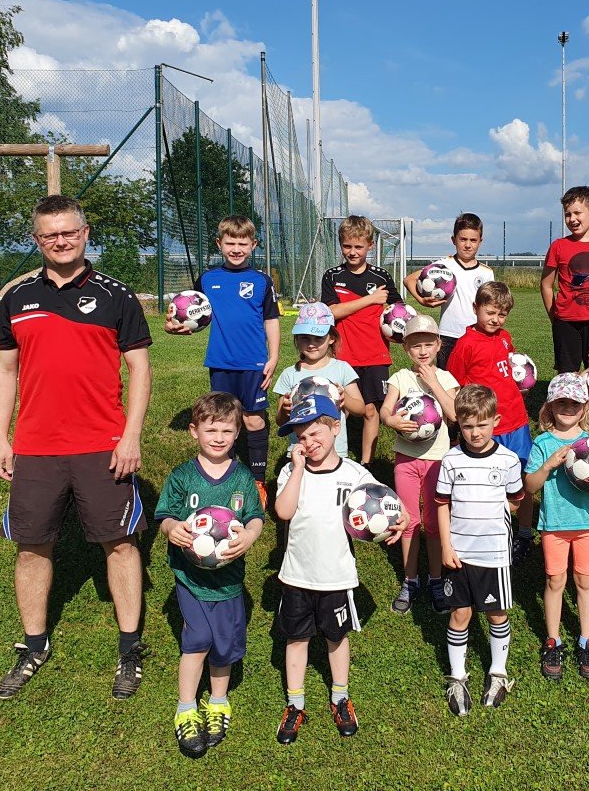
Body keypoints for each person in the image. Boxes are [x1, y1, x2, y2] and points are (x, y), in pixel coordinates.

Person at [0, 195, 152, 701]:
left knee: (120, 544)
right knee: (32, 544)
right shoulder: (17, 298)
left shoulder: (116, 295)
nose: (60, 241)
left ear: (84, 234)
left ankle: (129, 649)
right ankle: (33, 644)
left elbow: (140, 369)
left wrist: (130, 436)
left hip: (102, 445)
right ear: (37, 241)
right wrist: (1, 436)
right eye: (48, 235)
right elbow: (5, 369)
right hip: (36, 447)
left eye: (68, 232)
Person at [271, 394, 407, 744]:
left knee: (336, 637)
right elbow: (283, 512)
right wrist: (298, 470)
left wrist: (400, 518)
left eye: (315, 433)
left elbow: (388, 504)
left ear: (336, 427)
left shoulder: (354, 473)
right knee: (296, 638)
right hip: (297, 575)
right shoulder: (290, 471)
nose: (308, 442)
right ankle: (295, 703)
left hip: (336, 576)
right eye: (300, 437)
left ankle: (340, 697)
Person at [154, 392, 264, 758]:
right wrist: (172, 529)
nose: (218, 437)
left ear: (237, 434)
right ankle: (186, 707)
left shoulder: (243, 478)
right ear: (193, 431)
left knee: (225, 645)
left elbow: (255, 518)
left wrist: (248, 535)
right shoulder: (183, 476)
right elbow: (165, 514)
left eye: (227, 431)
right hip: (190, 578)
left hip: (229, 582)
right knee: (198, 637)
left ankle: (218, 702)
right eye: (210, 429)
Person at [166, 216, 280, 495]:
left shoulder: (261, 281)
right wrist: (174, 327)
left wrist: (273, 356)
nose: (236, 249)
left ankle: (257, 479)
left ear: (254, 245)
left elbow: (271, 319)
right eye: (230, 243)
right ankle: (220, 471)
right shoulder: (207, 279)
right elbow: (190, 311)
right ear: (220, 244)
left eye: (243, 243)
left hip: (253, 363)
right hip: (220, 362)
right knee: (222, 419)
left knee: (253, 419)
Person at [523, 373, 589, 681]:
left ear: (585, 408)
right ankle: (553, 639)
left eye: (574, 403)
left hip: (587, 524)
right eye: (561, 403)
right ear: (550, 407)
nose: (568, 408)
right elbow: (530, 486)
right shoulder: (542, 442)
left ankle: (586, 640)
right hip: (553, 525)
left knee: (585, 581)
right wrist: (549, 465)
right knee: (554, 582)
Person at [436, 384, 525, 716]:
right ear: (458, 422)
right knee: (460, 614)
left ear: (495, 421)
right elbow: (442, 505)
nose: (474, 433)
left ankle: (498, 672)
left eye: (482, 425)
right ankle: (457, 677)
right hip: (458, 552)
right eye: (468, 425)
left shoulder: (507, 460)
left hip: (494, 554)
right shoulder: (451, 460)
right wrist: (446, 545)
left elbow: (516, 500)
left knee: (496, 613)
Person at [445, 281, 533, 562]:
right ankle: (490, 531)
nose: (495, 319)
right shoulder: (465, 345)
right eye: (490, 312)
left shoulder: (505, 337)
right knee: (490, 483)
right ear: (475, 309)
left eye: (501, 314)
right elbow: (455, 385)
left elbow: (512, 367)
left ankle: (524, 533)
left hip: (517, 419)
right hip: (487, 426)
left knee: (522, 479)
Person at [380, 314, 459, 615]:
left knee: (437, 523)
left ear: (438, 345)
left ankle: (436, 579)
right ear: (406, 349)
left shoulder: (447, 379)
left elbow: (453, 415)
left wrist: (434, 384)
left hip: (439, 461)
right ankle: (410, 580)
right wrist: (391, 420)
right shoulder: (400, 378)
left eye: (428, 344)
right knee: (409, 520)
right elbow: (387, 410)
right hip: (406, 460)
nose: (423, 351)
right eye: (415, 346)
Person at [321, 215, 403, 464]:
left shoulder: (381, 277)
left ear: (370, 246)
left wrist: (401, 328)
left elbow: (398, 311)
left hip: (376, 354)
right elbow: (331, 312)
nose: (352, 252)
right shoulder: (332, 276)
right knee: (339, 408)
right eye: (347, 246)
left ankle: (367, 464)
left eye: (358, 246)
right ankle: (334, 458)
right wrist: (369, 300)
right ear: (340, 245)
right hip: (343, 354)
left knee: (371, 410)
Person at [272, 301, 366, 461]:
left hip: (334, 452)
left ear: (331, 338)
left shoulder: (342, 369)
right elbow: (280, 421)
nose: (311, 344)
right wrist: (285, 410)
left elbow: (360, 409)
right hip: (300, 452)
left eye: (318, 338)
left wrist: (345, 399)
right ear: (296, 339)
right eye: (304, 338)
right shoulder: (290, 374)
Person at [541, 185, 589, 373]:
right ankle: (569, 403)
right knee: (567, 374)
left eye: (577, 213)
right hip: (566, 322)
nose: (572, 219)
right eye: (568, 214)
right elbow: (546, 285)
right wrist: (555, 317)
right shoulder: (558, 246)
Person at [403, 212, 495, 369]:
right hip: (449, 335)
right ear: (454, 240)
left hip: (477, 335)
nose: (468, 244)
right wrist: (422, 301)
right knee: (448, 382)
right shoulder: (444, 266)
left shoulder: (487, 273)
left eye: (473, 240)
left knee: (475, 383)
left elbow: (491, 305)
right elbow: (409, 279)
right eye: (463, 239)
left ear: (480, 241)